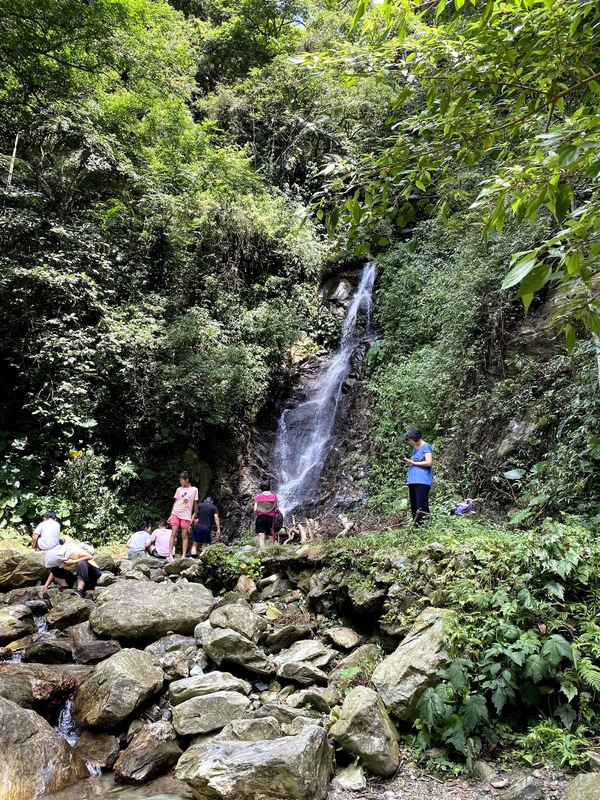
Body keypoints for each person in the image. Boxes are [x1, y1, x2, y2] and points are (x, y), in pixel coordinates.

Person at [403, 427, 433, 526]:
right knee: (414, 506)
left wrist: (413, 462)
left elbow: (429, 462)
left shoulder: (426, 446)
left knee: (422, 505)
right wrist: (410, 463)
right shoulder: (415, 448)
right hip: (413, 481)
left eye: (410, 440)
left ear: (414, 437)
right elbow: (414, 462)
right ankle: (417, 527)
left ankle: (426, 527)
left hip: (422, 480)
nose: (410, 442)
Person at [168, 471, 198, 561]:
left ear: (187, 480)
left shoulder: (194, 490)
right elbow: (176, 502)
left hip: (186, 514)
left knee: (184, 535)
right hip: (176, 512)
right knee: (173, 533)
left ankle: (183, 556)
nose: (180, 481)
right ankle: (170, 555)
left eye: (181, 480)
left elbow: (195, 503)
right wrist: (171, 514)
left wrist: (195, 516)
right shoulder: (179, 489)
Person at [253, 480, 279, 549]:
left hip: (260, 518)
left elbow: (255, 509)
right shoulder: (274, 497)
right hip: (270, 519)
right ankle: (271, 552)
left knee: (261, 537)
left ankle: (262, 552)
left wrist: (258, 513)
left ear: (261, 488)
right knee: (271, 537)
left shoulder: (258, 497)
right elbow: (276, 508)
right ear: (269, 487)